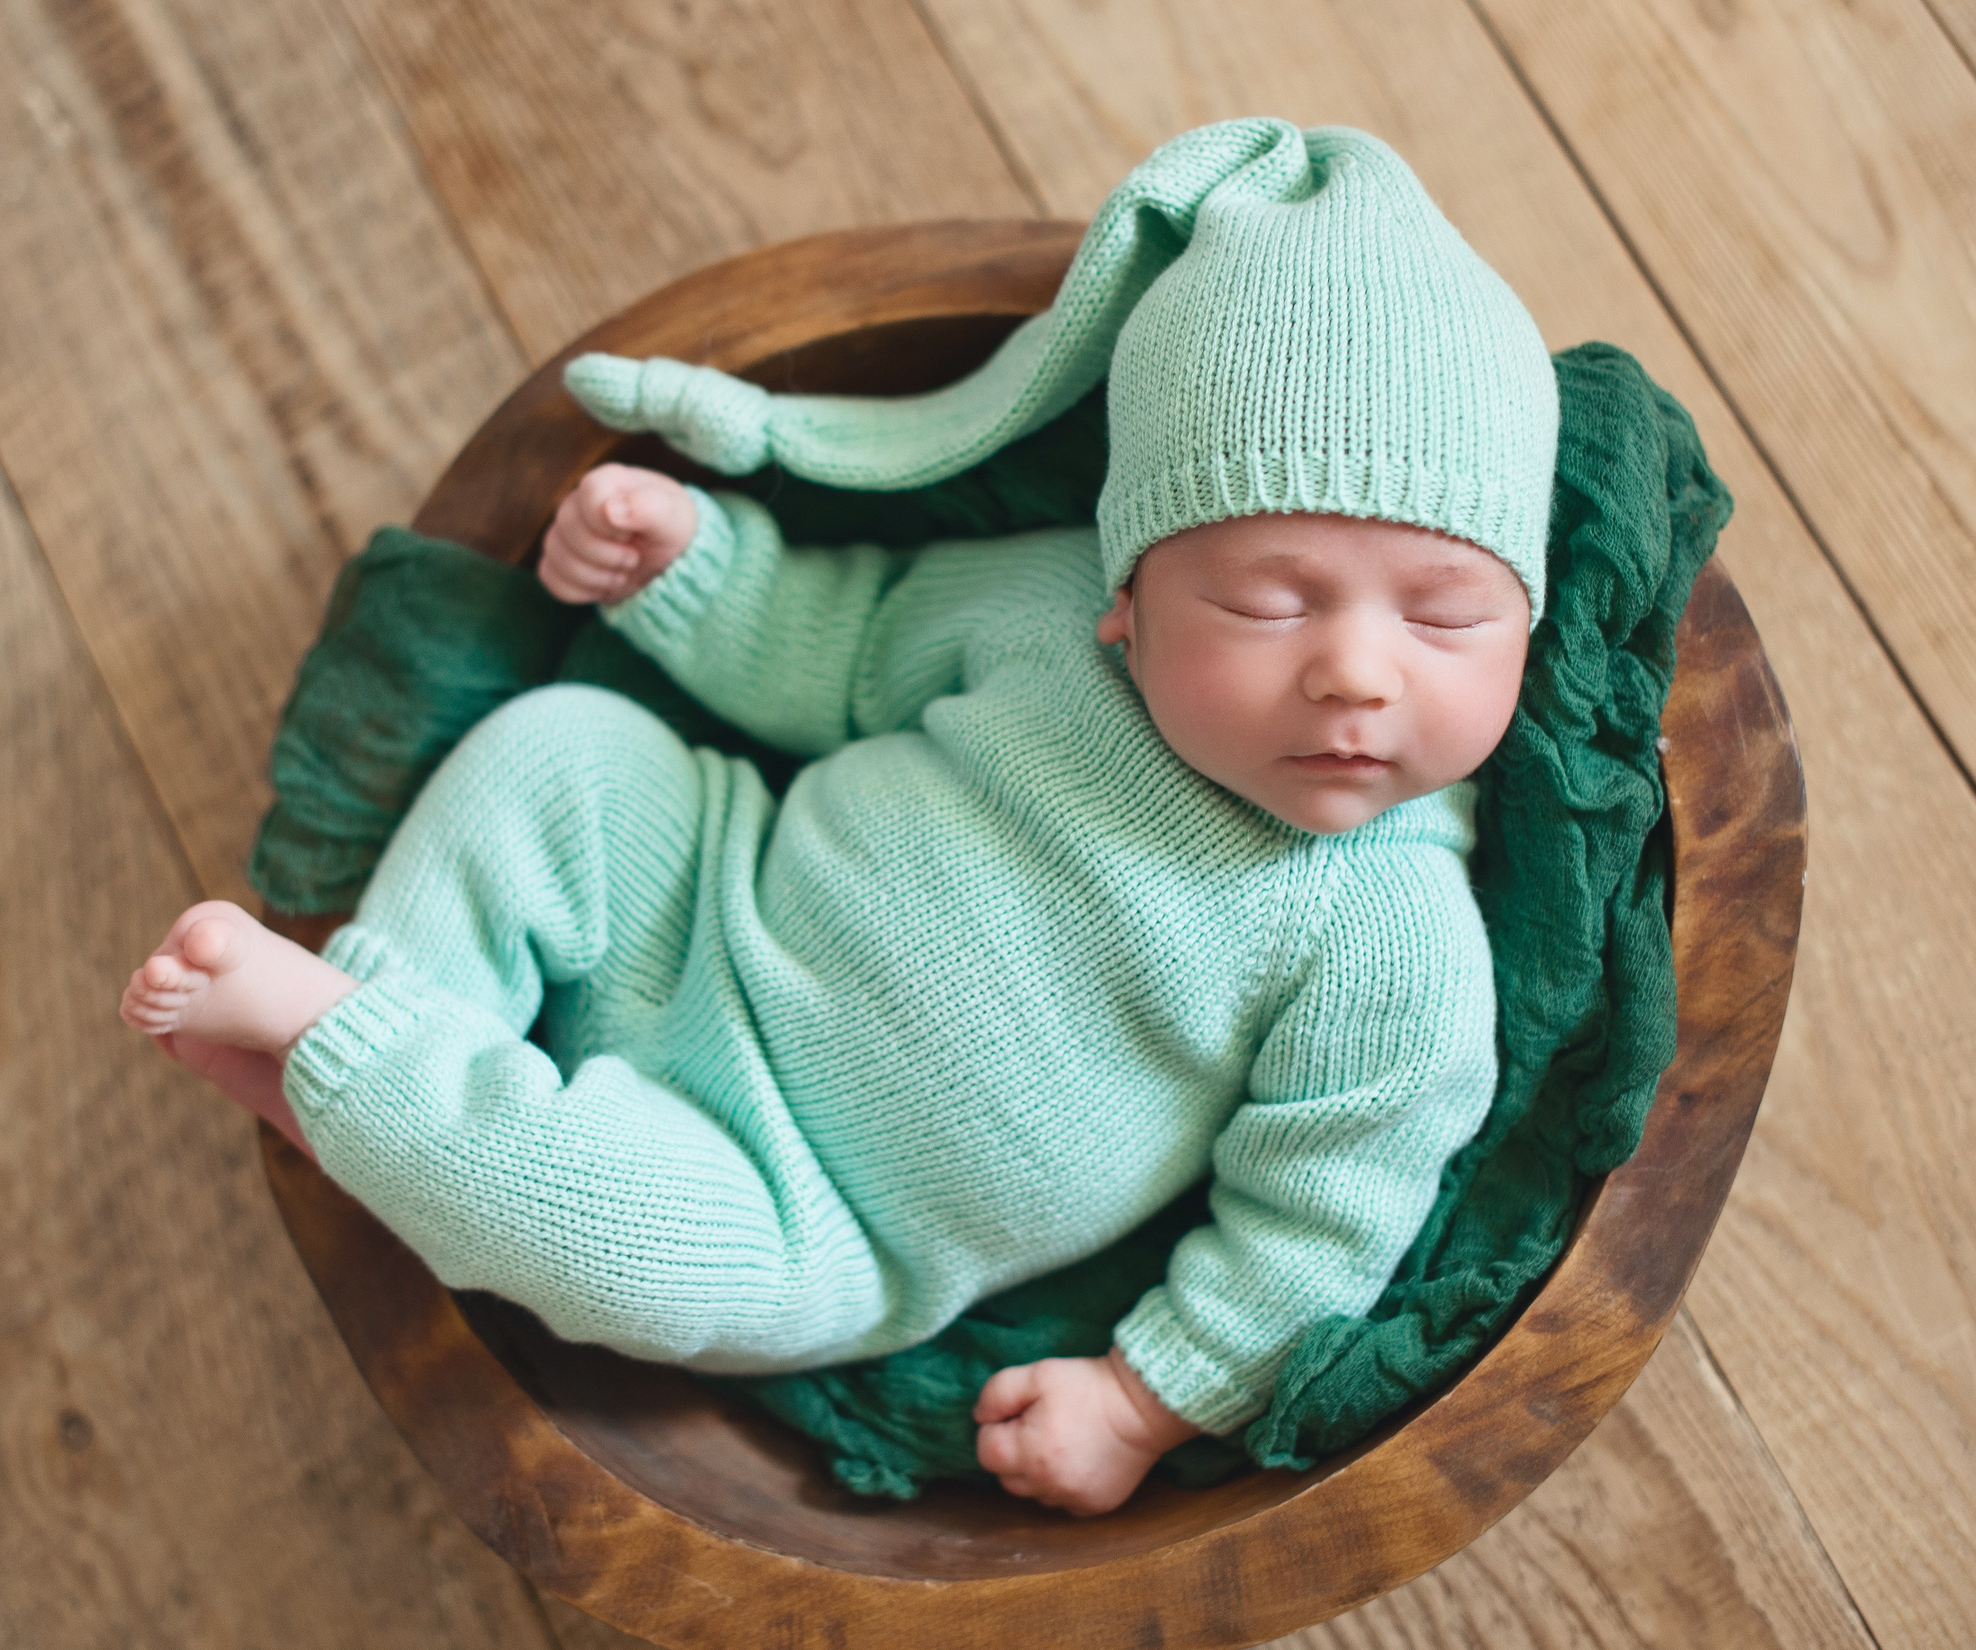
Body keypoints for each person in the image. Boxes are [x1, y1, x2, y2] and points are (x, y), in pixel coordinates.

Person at [120, 118, 1558, 1516]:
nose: (1356, 672)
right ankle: (396, 1029)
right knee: (561, 753)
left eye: (1447, 619)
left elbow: (1322, 1219)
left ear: (1524, 628)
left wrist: (1141, 1398)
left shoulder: (1395, 937)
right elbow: (846, 641)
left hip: (805, 1202)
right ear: (1131, 593)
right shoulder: (1053, 618)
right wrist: (684, 565)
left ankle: (348, 1065)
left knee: (627, 1246)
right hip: (706, 882)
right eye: (1266, 599)